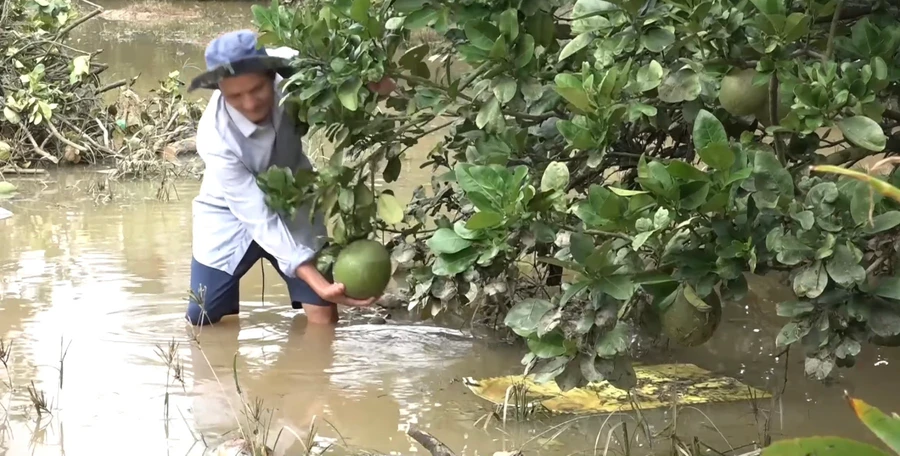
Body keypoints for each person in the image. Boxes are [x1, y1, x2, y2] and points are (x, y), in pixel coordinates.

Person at [184, 29, 394, 326]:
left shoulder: (300, 72)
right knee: (201, 316)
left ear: (271, 75)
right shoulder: (214, 138)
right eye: (235, 96)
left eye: (257, 89)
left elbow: (350, 71)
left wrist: (378, 84)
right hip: (228, 211)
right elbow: (257, 216)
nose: (249, 103)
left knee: (323, 314)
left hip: (296, 197)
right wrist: (317, 281)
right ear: (220, 90)